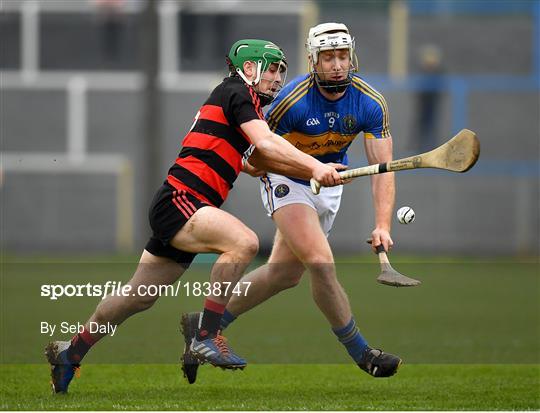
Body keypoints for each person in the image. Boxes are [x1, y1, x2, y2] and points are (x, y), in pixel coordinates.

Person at [45, 38, 344, 394]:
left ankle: (71, 351)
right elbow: (265, 144)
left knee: (138, 296)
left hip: (182, 205)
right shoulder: (237, 92)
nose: (279, 78)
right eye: (272, 69)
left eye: (282, 70)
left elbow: (254, 163)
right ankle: (206, 335)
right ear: (249, 69)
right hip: (182, 199)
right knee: (243, 242)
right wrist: (314, 165)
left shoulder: (243, 106)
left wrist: (313, 170)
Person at [181, 23, 402, 384]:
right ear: (314, 60)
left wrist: (382, 224)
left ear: (352, 57)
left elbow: (383, 169)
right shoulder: (290, 101)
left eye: (342, 56)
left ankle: (205, 324)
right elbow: (253, 161)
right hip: (286, 181)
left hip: (329, 186)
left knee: (284, 274)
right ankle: (362, 353)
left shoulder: (370, 102)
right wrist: (310, 166)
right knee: (320, 262)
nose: (336, 64)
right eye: (328, 57)